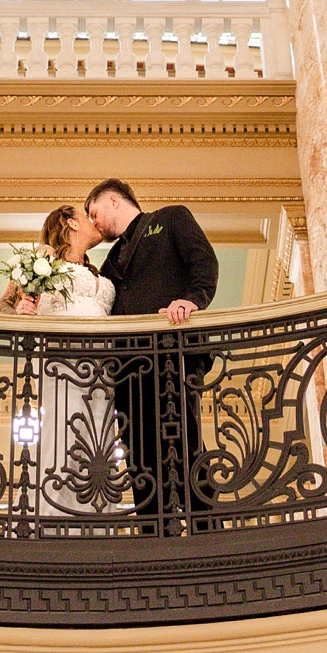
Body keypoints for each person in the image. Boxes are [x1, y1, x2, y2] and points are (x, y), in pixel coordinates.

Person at [86, 178, 219, 532]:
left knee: (183, 439)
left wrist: (191, 300)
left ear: (113, 200)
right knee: (137, 452)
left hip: (173, 353)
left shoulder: (171, 218)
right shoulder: (112, 260)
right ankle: (154, 532)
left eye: (94, 213)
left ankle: (205, 530)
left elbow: (203, 264)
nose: (94, 223)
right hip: (128, 368)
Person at [0, 204, 123, 519]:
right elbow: (4, 307)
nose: (95, 221)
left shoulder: (102, 271)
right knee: (65, 434)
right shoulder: (42, 261)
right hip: (62, 366)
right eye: (87, 217)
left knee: (100, 441)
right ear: (70, 223)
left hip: (102, 372)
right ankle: (53, 518)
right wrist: (22, 310)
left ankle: (96, 519)